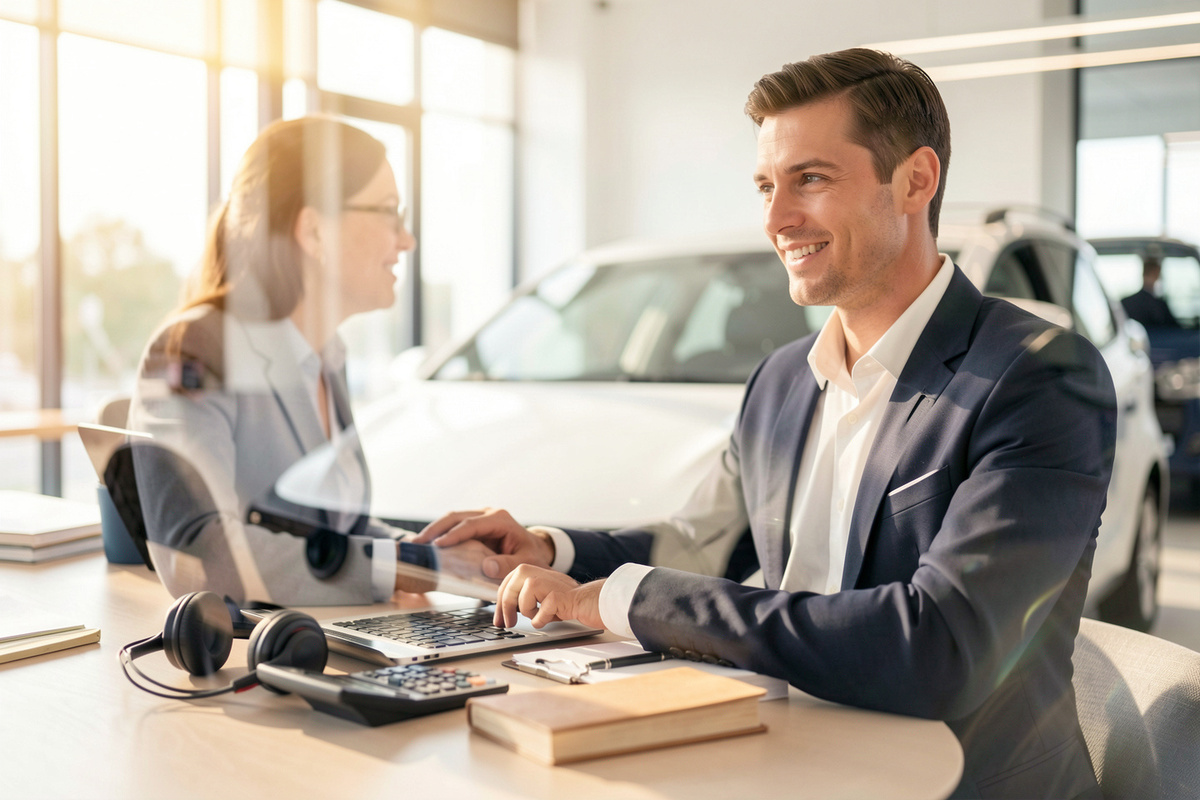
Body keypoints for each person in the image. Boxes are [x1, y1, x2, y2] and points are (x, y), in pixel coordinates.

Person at [416, 49, 1115, 799]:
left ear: (915, 181)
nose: (777, 218)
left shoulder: (1037, 377)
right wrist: (555, 551)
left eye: (810, 179)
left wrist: (621, 600)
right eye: (765, 185)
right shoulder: (783, 379)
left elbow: (941, 648)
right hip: (784, 760)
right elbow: (700, 546)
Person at [128, 116, 494, 605]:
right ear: (315, 230)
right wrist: (417, 567)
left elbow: (330, 528)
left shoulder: (325, 354)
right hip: (257, 659)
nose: (405, 239)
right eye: (389, 213)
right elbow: (197, 553)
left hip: (335, 636)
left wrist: (433, 550)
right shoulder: (196, 344)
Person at [1121, 254, 1179, 329]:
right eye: (1155, 274)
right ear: (1156, 275)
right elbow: (1173, 329)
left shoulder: (1125, 302)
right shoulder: (1159, 305)